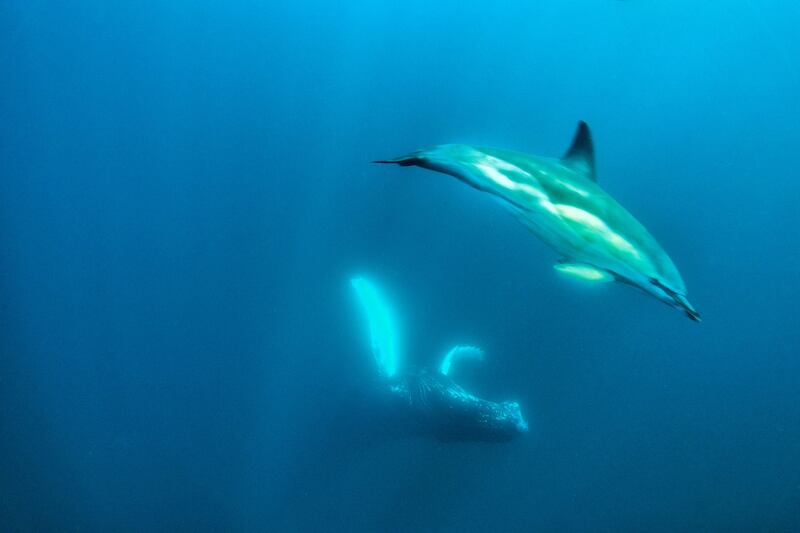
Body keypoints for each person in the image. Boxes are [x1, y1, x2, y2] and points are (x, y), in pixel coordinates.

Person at [350, 277, 528, 442]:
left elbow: (441, 393)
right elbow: (444, 390)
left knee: (396, 388)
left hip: (405, 396)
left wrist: (451, 358)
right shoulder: (434, 401)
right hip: (414, 399)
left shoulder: (402, 392)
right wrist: (452, 357)